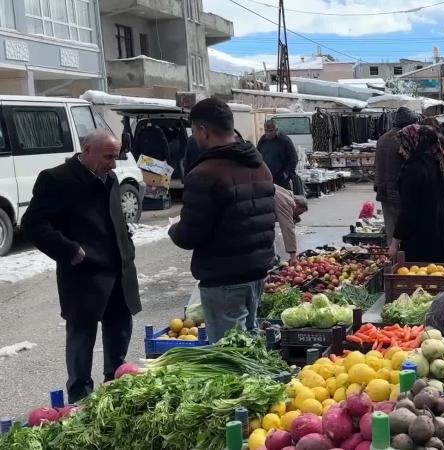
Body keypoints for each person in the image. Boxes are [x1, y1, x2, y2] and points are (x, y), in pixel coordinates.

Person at [22, 130, 141, 403]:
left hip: (119, 272)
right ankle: (80, 398)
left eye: (116, 156)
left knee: (120, 329)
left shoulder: (109, 178)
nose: (113, 163)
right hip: (84, 275)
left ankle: (116, 387)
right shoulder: (56, 179)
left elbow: (115, 222)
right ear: (87, 151)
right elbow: (33, 224)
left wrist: (128, 246)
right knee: (82, 336)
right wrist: (69, 249)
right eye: (108, 156)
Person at [168, 99, 276, 343]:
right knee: (248, 346)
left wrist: (173, 230)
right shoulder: (259, 165)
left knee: (230, 355)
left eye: (194, 131)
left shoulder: (205, 174)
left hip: (224, 277)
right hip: (256, 271)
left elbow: (190, 235)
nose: (194, 137)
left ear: (203, 130)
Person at [390, 124, 444, 263]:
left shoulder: (413, 169)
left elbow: (407, 211)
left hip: (423, 246)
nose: (400, 149)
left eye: (403, 143)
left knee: (424, 283)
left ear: (414, 143)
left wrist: (394, 242)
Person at [374, 106, 420, 241]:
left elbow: (377, 165)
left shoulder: (382, 139)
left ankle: (394, 259)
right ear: (408, 124)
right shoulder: (404, 139)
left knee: (391, 230)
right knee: (404, 232)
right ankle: (403, 260)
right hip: (399, 191)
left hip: (383, 190)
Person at [257, 119, 299, 190]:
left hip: (281, 179)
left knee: (284, 198)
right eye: (266, 130)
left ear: (276, 130)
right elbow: (257, 155)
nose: (268, 133)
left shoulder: (285, 141)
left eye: (271, 131)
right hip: (266, 177)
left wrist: (286, 173)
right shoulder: (263, 140)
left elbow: (294, 159)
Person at [273, 185, 309, 265]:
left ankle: (273, 257)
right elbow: (288, 228)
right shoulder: (287, 201)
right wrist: (293, 256)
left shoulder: (286, 193)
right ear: (296, 205)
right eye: (299, 213)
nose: (296, 215)